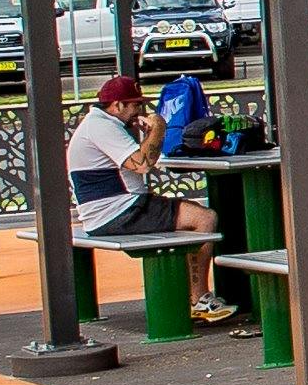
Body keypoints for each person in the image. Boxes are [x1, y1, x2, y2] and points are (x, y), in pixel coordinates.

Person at [67, 75, 235, 324]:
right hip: (118, 212)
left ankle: (189, 294)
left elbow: (140, 160)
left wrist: (151, 136)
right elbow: (143, 164)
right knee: (205, 218)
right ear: (117, 105)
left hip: (116, 209)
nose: (139, 110)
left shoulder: (101, 123)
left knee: (190, 214)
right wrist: (158, 127)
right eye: (135, 105)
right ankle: (198, 298)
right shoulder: (101, 126)